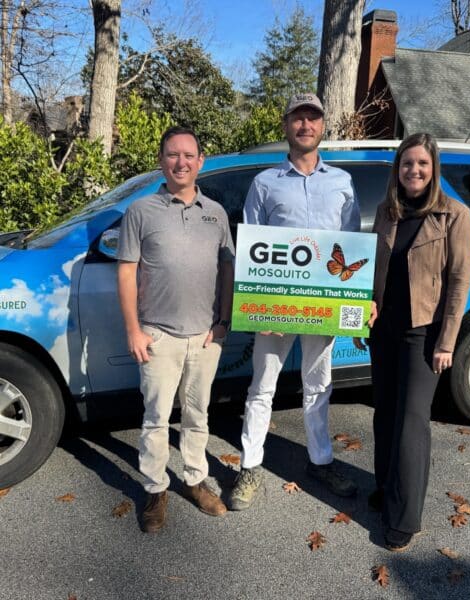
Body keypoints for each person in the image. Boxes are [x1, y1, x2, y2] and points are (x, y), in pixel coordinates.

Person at [229, 93, 361, 511]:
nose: (306, 124)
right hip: (275, 307)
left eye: (313, 118)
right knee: (262, 387)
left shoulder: (342, 182)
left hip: (321, 306)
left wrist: (346, 306)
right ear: (286, 125)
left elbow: (352, 244)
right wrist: (257, 307)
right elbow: (252, 248)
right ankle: (250, 466)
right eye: (298, 117)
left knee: (318, 385)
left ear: (323, 126)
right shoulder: (265, 182)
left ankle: (320, 461)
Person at [356, 132, 470, 551]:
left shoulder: (453, 215)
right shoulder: (389, 211)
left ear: (433, 168)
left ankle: (406, 516)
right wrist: (364, 309)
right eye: (408, 164)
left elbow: (460, 282)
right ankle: (388, 488)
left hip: (424, 332)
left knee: (411, 422)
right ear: (398, 168)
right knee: (384, 413)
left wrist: (447, 342)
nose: (414, 171)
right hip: (384, 329)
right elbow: (373, 269)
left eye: (422, 164)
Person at [117, 126, 235, 532]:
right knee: (155, 418)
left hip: (205, 336)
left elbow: (227, 269)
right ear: (161, 160)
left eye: (189, 155)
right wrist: (134, 330)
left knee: (198, 415)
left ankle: (195, 479)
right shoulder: (140, 212)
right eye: (172, 154)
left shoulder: (216, 213)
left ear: (200, 161)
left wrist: (223, 323)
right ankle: (155, 489)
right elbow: (127, 271)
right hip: (158, 336)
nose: (181, 162)